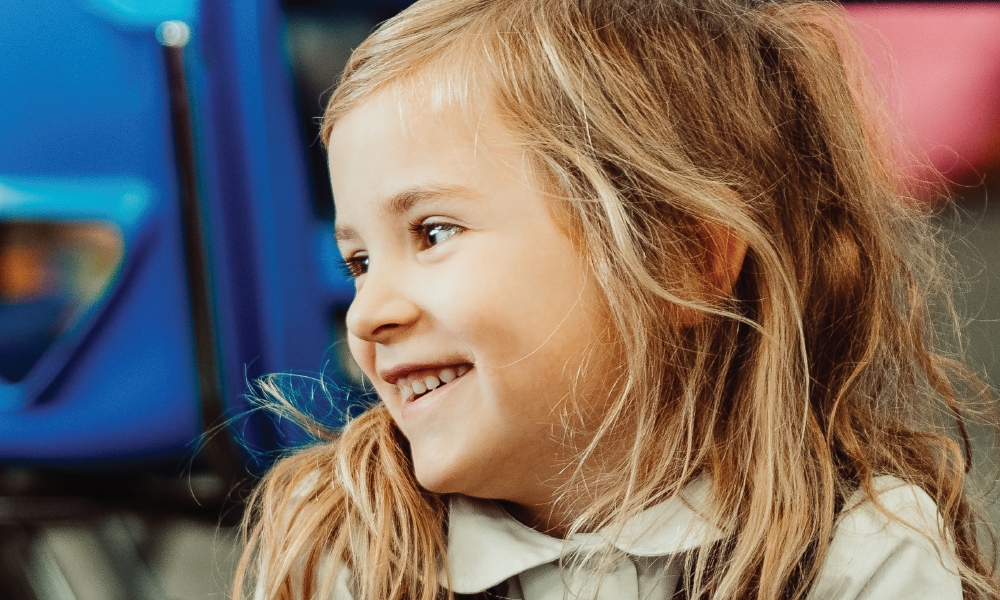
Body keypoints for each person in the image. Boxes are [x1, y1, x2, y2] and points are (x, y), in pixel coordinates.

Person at [234, 0, 1000, 598]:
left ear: (681, 261)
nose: (368, 314)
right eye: (359, 262)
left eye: (433, 232)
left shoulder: (864, 557)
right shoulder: (344, 553)